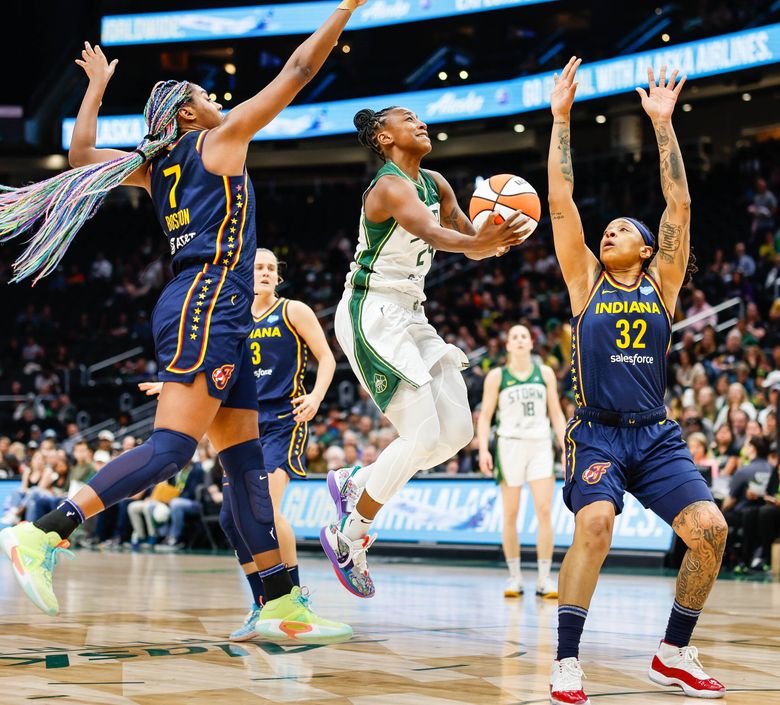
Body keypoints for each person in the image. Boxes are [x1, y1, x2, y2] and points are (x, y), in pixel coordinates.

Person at [0, 2, 364, 644]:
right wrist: (342, 12)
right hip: (209, 299)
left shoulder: (155, 165)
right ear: (190, 113)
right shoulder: (215, 141)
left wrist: (94, 90)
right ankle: (42, 530)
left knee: (247, 464)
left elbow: (81, 150)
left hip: (206, 303)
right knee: (171, 450)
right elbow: (301, 69)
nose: (219, 99)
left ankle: (280, 605)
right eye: (206, 94)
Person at [547, 58, 726, 703]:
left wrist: (662, 125)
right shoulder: (583, 282)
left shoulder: (662, 285)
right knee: (595, 524)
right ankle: (566, 659)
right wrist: (561, 117)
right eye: (610, 229)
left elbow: (677, 200)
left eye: (625, 230)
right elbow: (561, 202)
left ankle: (673, 651)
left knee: (711, 531)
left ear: (646, 250)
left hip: (654, 436)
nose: (611, 230)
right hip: (596, 434)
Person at [320, 105, 533, 597]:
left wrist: (501, 237)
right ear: (383, 137)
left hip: (412, 313)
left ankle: (358, 480)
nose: (419, 123)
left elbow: (470, 241)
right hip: (371, 311)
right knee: (420, 435)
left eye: (420, 118)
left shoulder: (435, 182)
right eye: (407, 119)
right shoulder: (388, 186)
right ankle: (349, 535)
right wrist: (477, 241)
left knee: (454, 433)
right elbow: (438, 235)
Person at [140, 247, 336, 640]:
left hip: (283, 419)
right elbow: (206, 365)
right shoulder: (233, 316)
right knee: (232, 518)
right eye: (257, 267)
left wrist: (315, 397)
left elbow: (327, 357)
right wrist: (173, 385)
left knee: (265, 510)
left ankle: (294, 599)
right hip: (239, 422)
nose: (263, 273)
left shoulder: (293, 310)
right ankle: (262, 603)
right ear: (247, 273)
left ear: (277, 276)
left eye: (270, 268)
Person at [476, 324, 565, 599]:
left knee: (544, 511)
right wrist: (483, 450)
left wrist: (564, 445)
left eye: (524, 336)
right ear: (507, 345)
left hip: (539, 445)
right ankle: (514, 577)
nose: (519, 340)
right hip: (509, 445)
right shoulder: (496, 376)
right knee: (511, 513)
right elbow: (485, 415)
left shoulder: (545, 373)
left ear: (531, 343)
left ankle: (544, 578)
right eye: (513, 336)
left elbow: (557, 414)